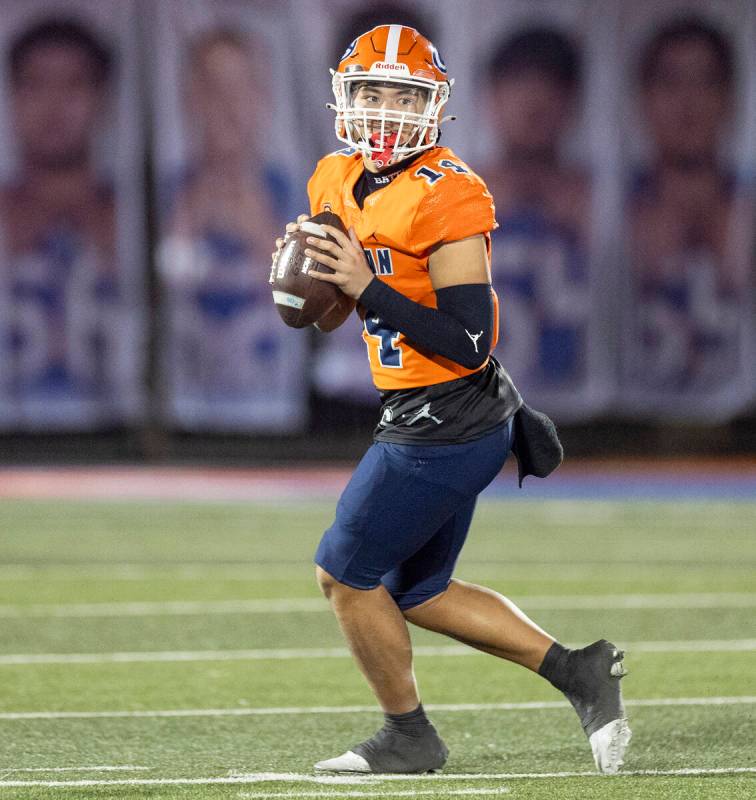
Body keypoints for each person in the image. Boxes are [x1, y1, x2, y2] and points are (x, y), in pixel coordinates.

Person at [273, 25, 630, 775]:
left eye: (405, 94)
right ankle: (580, 671)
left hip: (452, 413)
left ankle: (407, 734)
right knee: (416, 589)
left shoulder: (451, 192)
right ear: (345, 97)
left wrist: (365, 284)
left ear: (434, 105)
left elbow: (469, 339)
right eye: (373, 91)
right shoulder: (333, 177)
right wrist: (306, 289)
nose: (388, 109)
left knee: (343, 573)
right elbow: (337, 308)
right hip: (422, 407)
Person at [159, 28, 304, 429]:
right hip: (185, 411)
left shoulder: (295, 191)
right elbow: (162, 285)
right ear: (190, 100)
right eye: (213, 89)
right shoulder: (165, 193)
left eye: (242, 88)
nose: (228, 107)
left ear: (264, 99)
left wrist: (258, 230)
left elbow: (311, 299)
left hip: (276, 411)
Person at [0, 17, 123, 419]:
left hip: (117, 436)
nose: (54, 105)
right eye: (36, 84)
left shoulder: (136, 221)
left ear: (102, 99)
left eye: (73, 85)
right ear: (13, 97)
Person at [626, 16, 752, 392]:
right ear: (644, 97)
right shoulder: (606, 213)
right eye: (671, 81)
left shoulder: (746, 211)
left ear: (730, 98)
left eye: (706, 81)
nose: (689, 101)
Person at [480, 27, 592, 392]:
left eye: (549, 83)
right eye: (517, 81)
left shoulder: (603, 204)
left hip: (581, 411)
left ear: (573, 101)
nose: (533, 99)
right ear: (491, 97)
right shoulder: (448, 195)